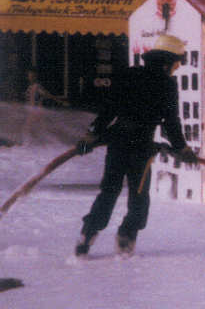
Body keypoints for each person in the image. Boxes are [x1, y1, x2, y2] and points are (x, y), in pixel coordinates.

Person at [74, 34, 198, 258]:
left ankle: (87, 234)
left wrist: (91, 135)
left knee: (109, 191)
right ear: (168, 62)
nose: (178, 66)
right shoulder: (167, 84)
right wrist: (182, 148)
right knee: (139, 195)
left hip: (118, 143)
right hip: (141, 148)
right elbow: (171, 122)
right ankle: (126, 236)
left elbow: (108, 110)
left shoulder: (129, 74)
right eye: (177, 61)